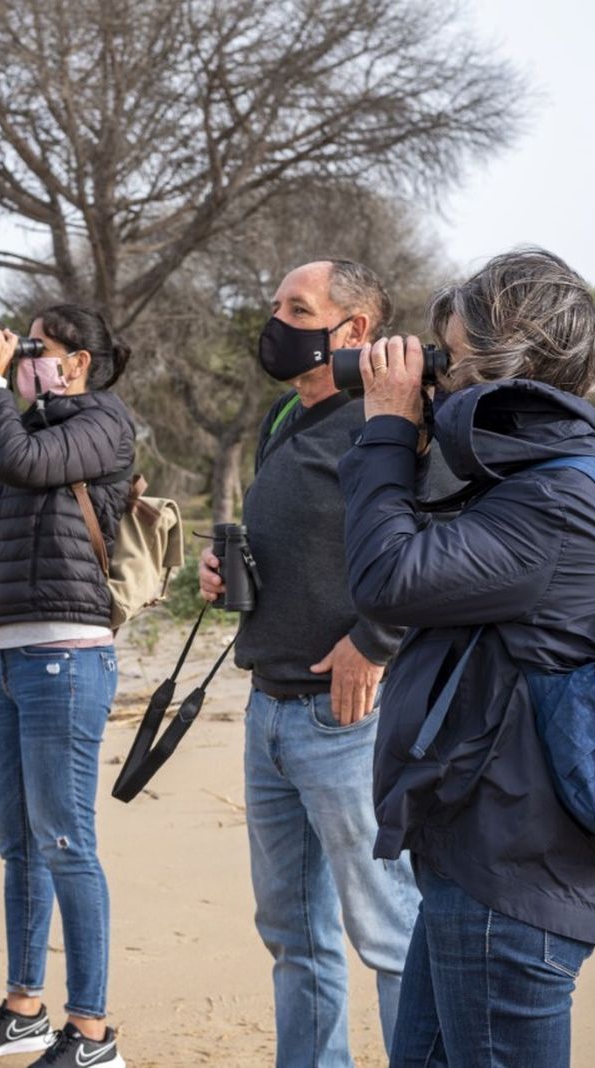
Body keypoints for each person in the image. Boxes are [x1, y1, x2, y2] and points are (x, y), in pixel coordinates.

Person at [338, 248, 595, 1065]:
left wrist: (391, 428)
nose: (433, 375)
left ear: (507, 364)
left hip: (510, 875)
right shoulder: (537, 481)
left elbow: (389, 579)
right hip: (478, 859)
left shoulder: (558, 498)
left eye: (449, 356)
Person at [198, 259, 452, 1066]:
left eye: (296, 307)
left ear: (355, 332)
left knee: (387, 929)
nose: (275, 319)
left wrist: (376, 641)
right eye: (275, 302)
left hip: (346, 721)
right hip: (269, 711)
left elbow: (438, 552)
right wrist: (222, 573)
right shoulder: (283, 414)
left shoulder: (394, 424)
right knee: (292, 935)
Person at [0, 305, 135, 1068]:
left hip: (67, 659)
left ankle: (93, 1032)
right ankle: (22, 1009)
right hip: (6, 659)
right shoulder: (22, 425)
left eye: (37, 346)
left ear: (74, 361)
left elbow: (16, 463)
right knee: (19, 846)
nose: (23, 356)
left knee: (67, 843)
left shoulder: (103, 422)